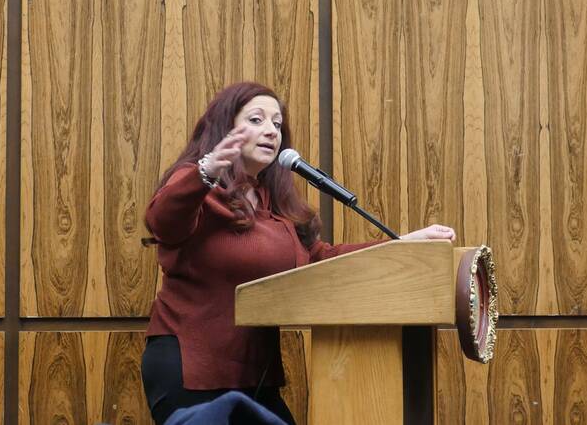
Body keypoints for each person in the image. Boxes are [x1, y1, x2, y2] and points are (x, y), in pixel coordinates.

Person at [140, 82, 456, 425]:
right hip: (192, 372)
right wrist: (207, 170)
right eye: (257, 120)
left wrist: (402, 245)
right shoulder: (195, 186)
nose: (271, 131)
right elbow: (163, 220)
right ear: (225, 128)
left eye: (277, 124)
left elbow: (319, 261)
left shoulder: (273, 204)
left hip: (255, 378)